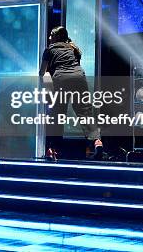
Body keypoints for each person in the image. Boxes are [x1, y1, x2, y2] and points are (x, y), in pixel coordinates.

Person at [39, 26, 103, 160]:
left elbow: (42, 72)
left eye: (51, 35)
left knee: (57, 114)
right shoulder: (73, 48)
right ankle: (97, 142)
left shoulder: (49, 50)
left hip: (61, 79)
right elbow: (75, 66)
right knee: (85, 112)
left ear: (56, 37)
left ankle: (54, 149)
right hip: (79, 77)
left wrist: (45, 84)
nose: (49, 38)